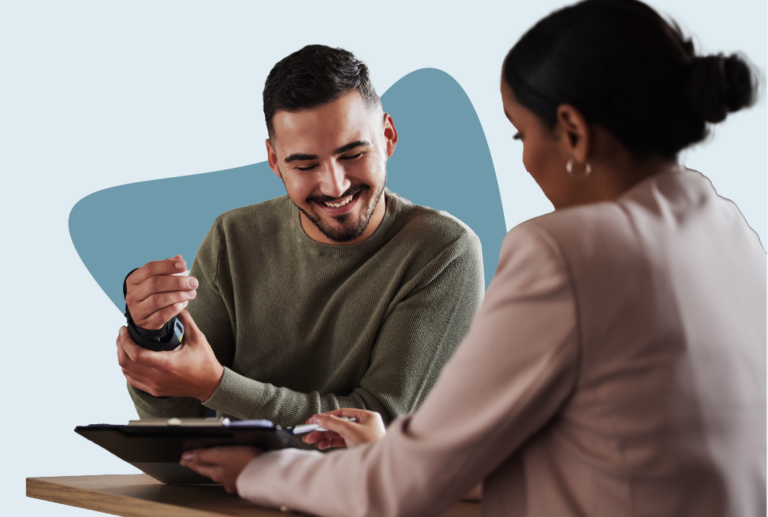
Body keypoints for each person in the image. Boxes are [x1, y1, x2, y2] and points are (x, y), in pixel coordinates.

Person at [179, 1, 765, 516]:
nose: (526, 161)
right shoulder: (731, 230)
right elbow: (616, 456)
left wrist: (259, 473)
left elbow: (408, 486)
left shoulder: (561, 251)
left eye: (520, 135)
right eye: (304, 162)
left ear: (573, 133)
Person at [115, 45, 485, 427]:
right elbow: (176, 418)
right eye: (306, 164)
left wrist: (216, 385)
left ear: (388, 136)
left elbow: (381, 425)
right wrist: (154, 338)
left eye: (353, 154)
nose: (335, 185)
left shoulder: (442, 251)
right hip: (232, 482)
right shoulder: (233, 236)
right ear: (275, 162)